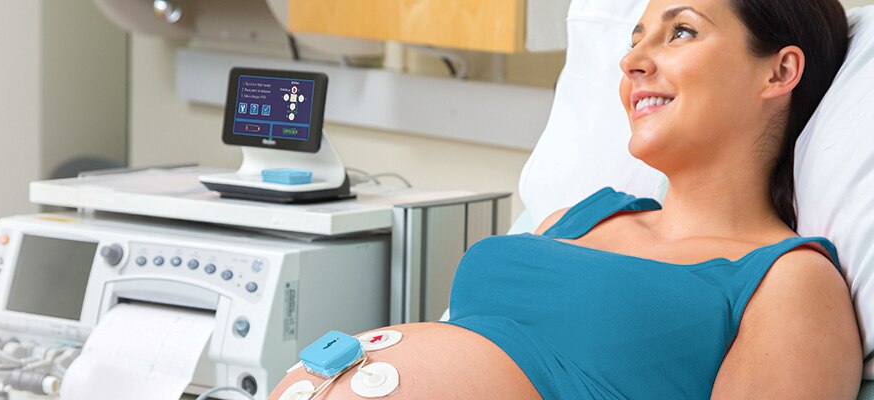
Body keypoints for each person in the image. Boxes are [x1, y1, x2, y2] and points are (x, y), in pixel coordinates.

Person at [270, 0, 861, 398]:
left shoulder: (788, 280)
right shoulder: (574, 218)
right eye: (634, 39)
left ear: (779, 72)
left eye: (681, 31)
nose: (631, 61)